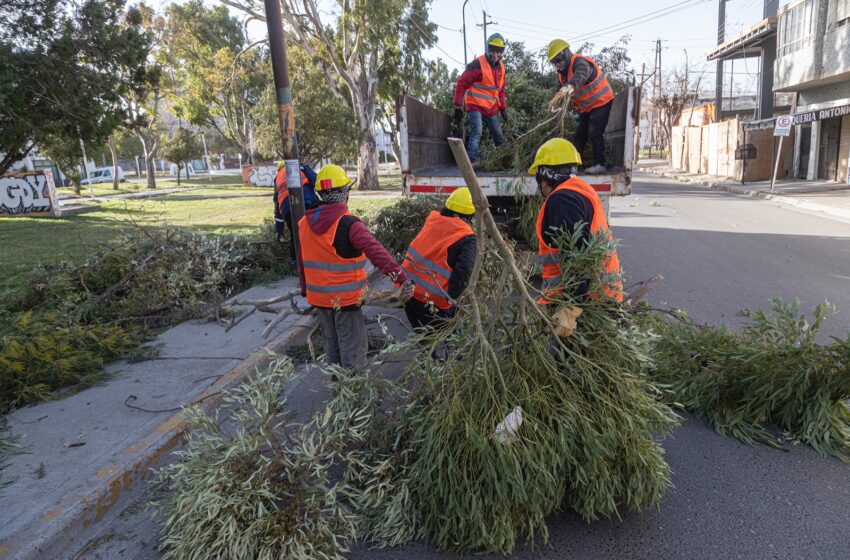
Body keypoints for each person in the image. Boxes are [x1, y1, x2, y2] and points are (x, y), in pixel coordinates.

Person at [297, 164, 413, 371]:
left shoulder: (304, 223)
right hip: (346, 301)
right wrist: (402, 279)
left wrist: (306, 289)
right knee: (352, 349)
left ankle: (337, 385)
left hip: (320, 300)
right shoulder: (349, 223)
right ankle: (354, 391)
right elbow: (378, 254)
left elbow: (301, 261)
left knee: (332, 346)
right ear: (344, 192)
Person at [527, 138, 622, 304]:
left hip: (587, 301)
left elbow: (578, 257)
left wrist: (571, 308)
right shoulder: (579, 190)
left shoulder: (562, 200)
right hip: (598, 295)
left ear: (545, 176)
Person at [402, 187, 477, 331]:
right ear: (468, 217)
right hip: (434, 301)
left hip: (408, 293)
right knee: (454, 340)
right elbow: (464, 272)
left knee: (424, 340)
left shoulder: (433, 221)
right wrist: (452, 299)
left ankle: (429, 353)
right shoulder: (467, 237)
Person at [546, 39, 615, 174]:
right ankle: (574, 164)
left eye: (559, 60)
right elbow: (560, 90)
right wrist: (556, 100)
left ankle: (600, 164)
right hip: (587, 108)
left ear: (565, 53)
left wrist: (567, 88)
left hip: (602, 101)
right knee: (579, 135)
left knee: (595, 132)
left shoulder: (579, 62)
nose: (558, 64)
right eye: (554, 62)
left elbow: (579, 77)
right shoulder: (562, 75)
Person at [453, 33, 508, 164]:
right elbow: (462, 83)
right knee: (477, 130)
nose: (495, 55)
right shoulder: (477, 64)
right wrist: (457, 105)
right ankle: (471, 160)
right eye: (493, 51)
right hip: (475, 104)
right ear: (488, 49)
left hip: (491, 107)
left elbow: (500, 91)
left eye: (498, 52)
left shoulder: (501, 68)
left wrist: (503, 109)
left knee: (498, 133)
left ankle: (505, 158)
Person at [274, 161, 319, 261]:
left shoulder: (277, 178)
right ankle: (317, 259)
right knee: (316, 232)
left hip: (287, 210)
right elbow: (316, 180)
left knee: (295, 235)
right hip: (308, 202)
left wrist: (279, 231)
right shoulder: (301, 167)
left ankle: (296, 264)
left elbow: (277, 208)